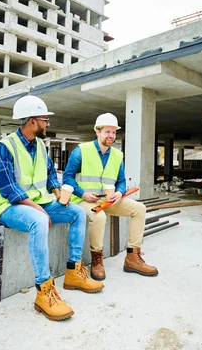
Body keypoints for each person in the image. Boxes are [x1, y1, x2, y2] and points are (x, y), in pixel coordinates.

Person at [0, 95, 103, 322]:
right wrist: (39, 210)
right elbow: (9, 189)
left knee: (76, 212)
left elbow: (49, 173)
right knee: (38, 221)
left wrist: (58, 194)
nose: (48, 123)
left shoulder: (39, 145)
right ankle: (44, 291)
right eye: (44, 119)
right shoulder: (3, 148)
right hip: (5, 207)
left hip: (36, 202)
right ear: (31, 121)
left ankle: (73, 273)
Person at [63, 113, 158, 281]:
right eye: (107, 132)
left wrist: (120, 192)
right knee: (99, 217)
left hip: (107, 200)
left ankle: (132, 258)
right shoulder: (81, 151)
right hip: (84, 200)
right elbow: (67, 177)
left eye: (114, 132)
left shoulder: (117, 155)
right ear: (97, 132)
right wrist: (82, 193)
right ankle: (97, 259)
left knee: (140, 209)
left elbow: (121, 181)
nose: (111, 136)